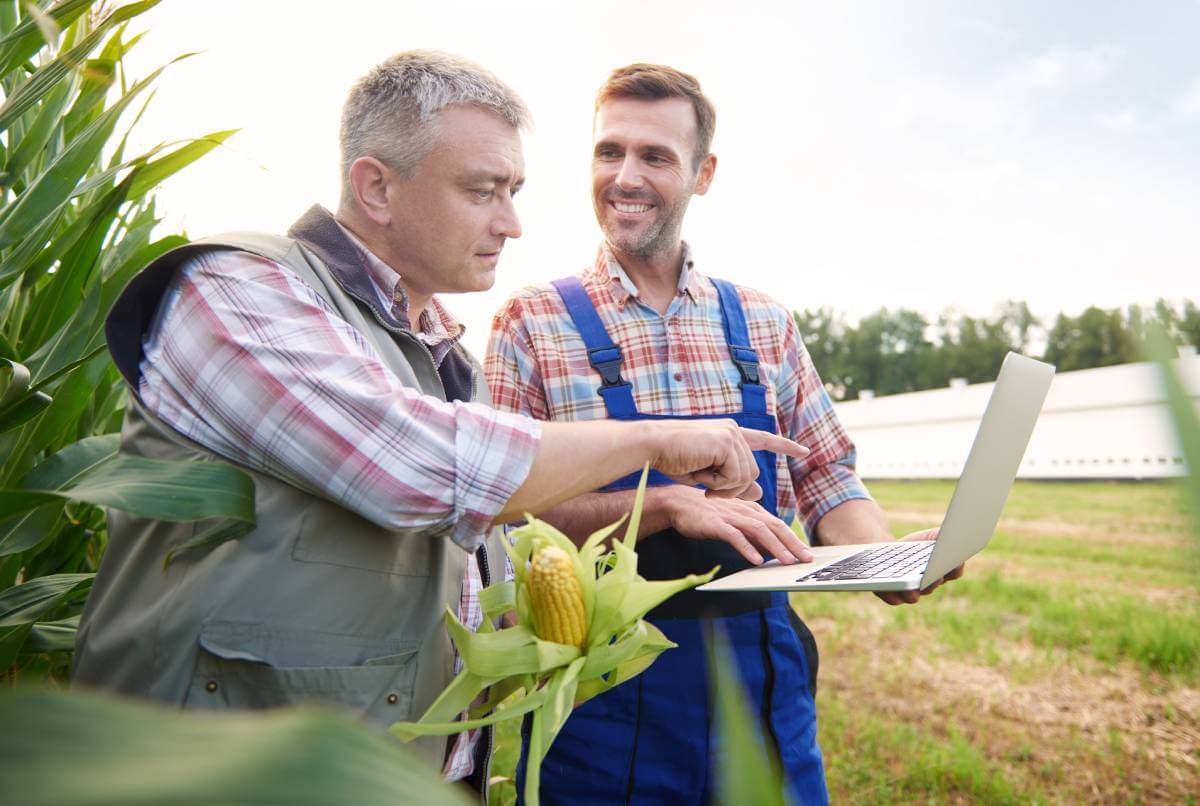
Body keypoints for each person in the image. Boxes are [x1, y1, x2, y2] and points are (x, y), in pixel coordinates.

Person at [72, 51, 809, 793]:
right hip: (236, 774)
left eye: (514, 191)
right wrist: (658, 442)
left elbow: (497, 546)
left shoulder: (444, 355)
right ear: (377, 187)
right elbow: (420, 468)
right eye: (484, 191)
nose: (513, 223)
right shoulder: (237, 291)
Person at [486, 63, 963, 804]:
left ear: (703, 173)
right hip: (603, 688)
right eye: (608, 152)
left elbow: (829, 479)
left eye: (655, 156)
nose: (625, 176)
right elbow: (506, 508)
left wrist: (885, 560)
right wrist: (663, 505)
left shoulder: (763, 323)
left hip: (762, 677)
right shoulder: (533, 323)